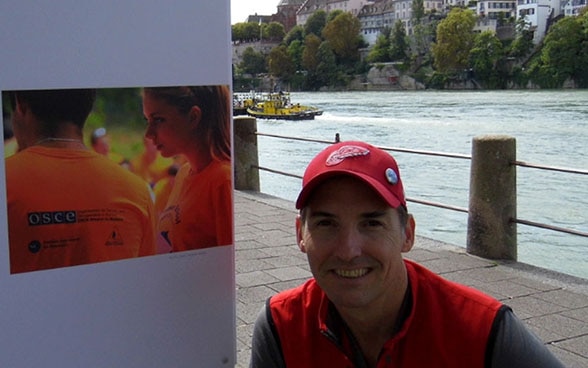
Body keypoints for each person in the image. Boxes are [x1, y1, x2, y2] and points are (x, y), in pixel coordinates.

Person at [250, 141, 564, 367]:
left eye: (372, 222)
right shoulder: (281, 326)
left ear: (408, 234)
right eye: (326, 223)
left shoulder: (482, 331)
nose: (348, 250)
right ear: (299, 235)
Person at [5, 89, 156, 273]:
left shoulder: (7, 179)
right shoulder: (138, 191)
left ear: (20, 104)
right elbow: (144, 281)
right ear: (87, 108)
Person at [142, 85, 232, 252]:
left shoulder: (222, 180)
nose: (148, 133)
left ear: (193, 117)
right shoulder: (184, 173)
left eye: (158, 119)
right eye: (147, 120)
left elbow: (230, 268)